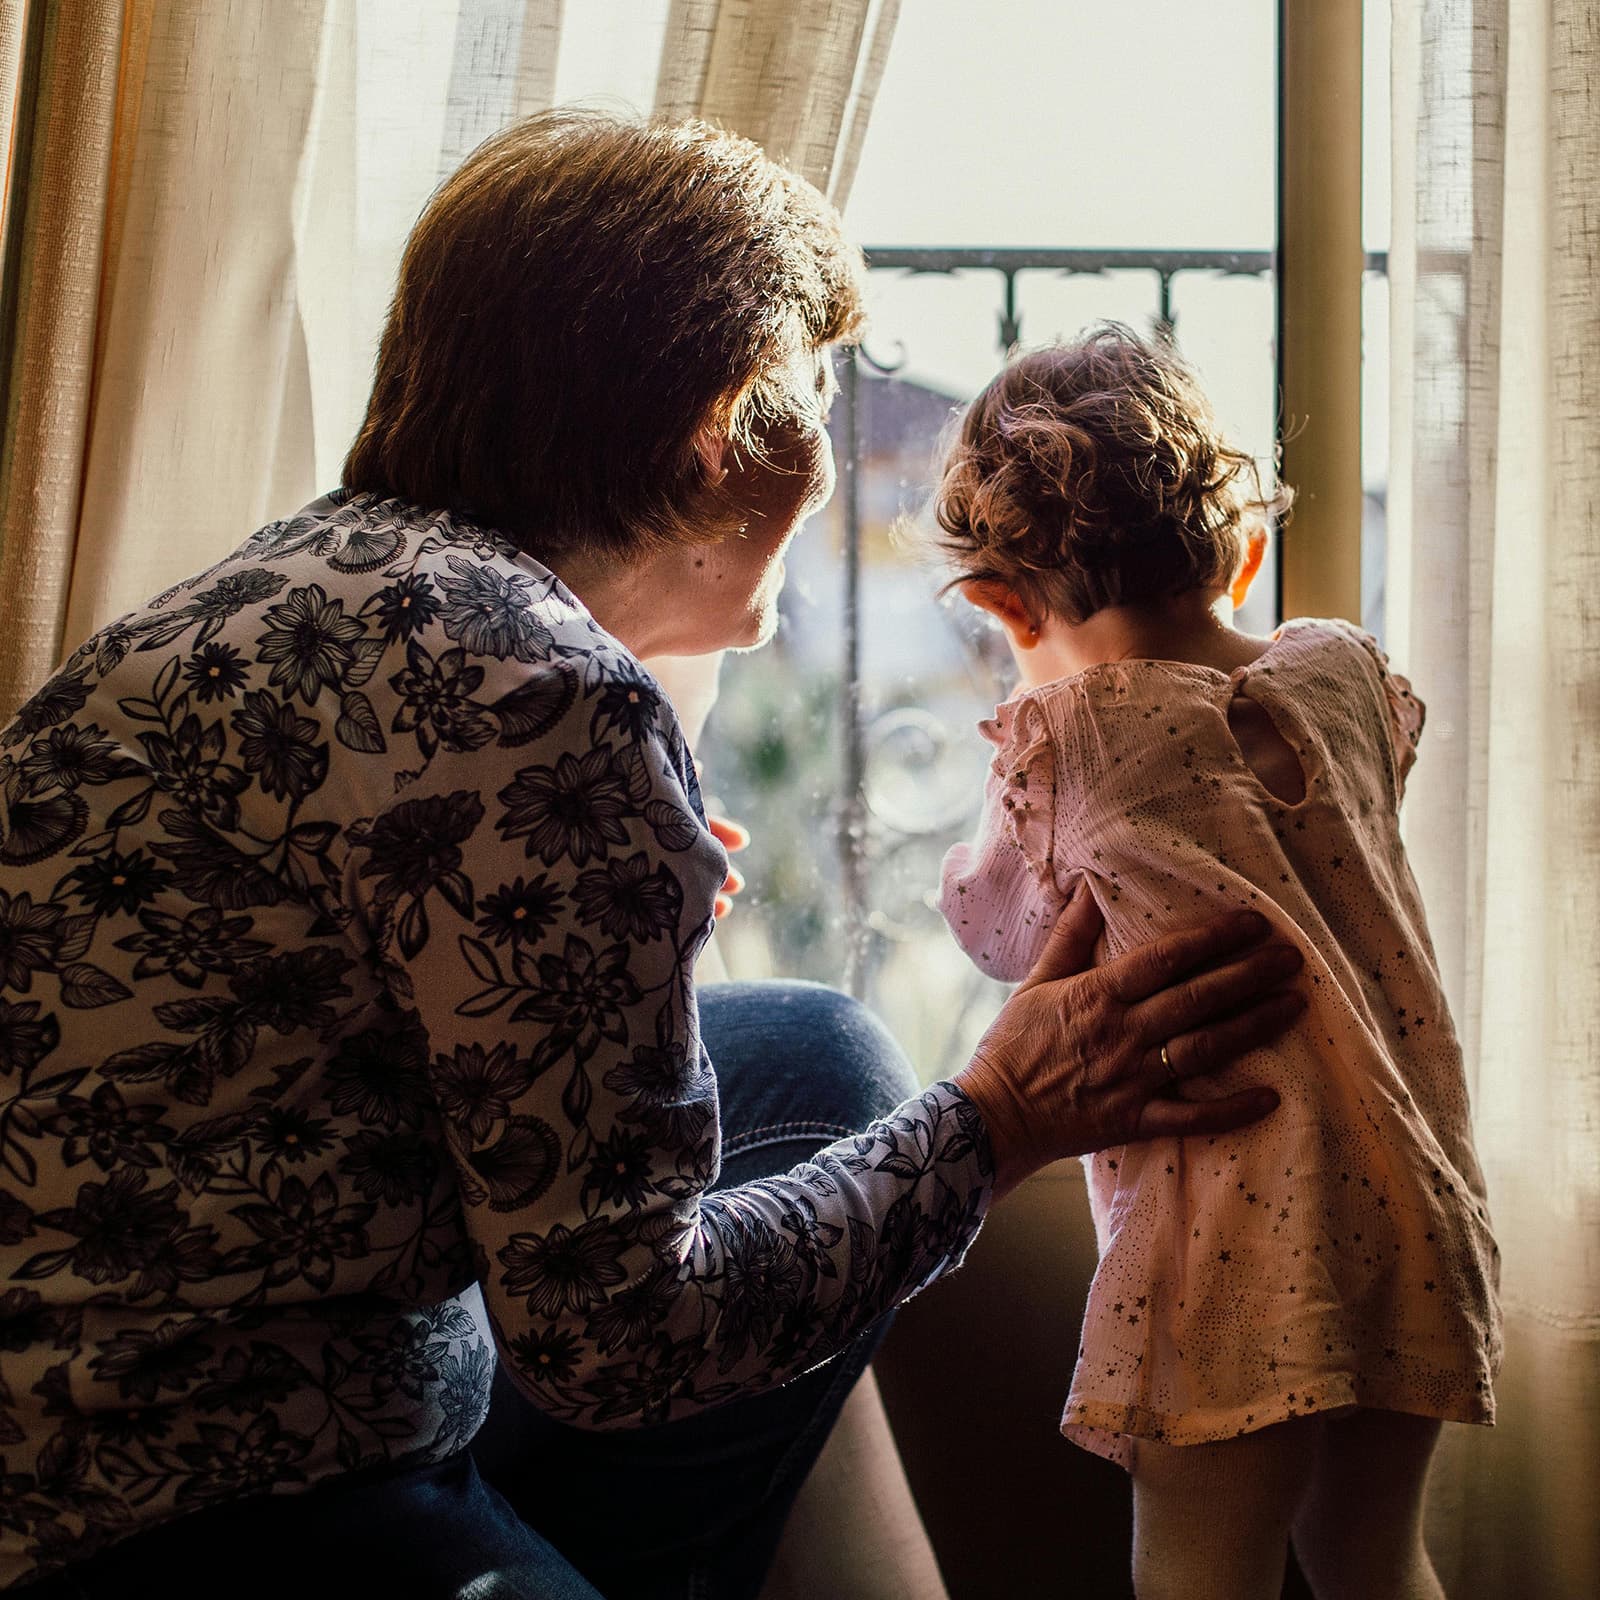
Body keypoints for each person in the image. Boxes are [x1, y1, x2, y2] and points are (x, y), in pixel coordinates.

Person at [0, 122, 1306, 1599]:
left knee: (815, 1056)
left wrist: (601, 930)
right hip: (203, 1496)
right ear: (723, 425)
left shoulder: (287, 584)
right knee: (866, 1125)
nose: (823, 457)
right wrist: (1002, 1117)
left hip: (72, 1392)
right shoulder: (548, 698)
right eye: (812, 398)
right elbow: (619, 1338)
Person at [934, 325, 1502, 1600]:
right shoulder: (1341, 671)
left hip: (1231, 1244)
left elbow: (1006, 933)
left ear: (999, 605)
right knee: (1372, 1553)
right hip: (1407, 1192)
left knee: (1202, 1566)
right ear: (1242, 549)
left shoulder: (1066, 733)